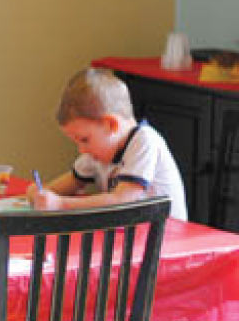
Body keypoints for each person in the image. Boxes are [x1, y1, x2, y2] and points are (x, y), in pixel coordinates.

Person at [28, 67, 187, 220]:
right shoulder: (97, 153)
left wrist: (61, 204)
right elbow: (71, 183)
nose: (82, 150)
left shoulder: (144, 141)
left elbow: (122, 200)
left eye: (85, 139)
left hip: (167, 238)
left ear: (111, 125)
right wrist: (41, 193)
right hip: (133, 236)